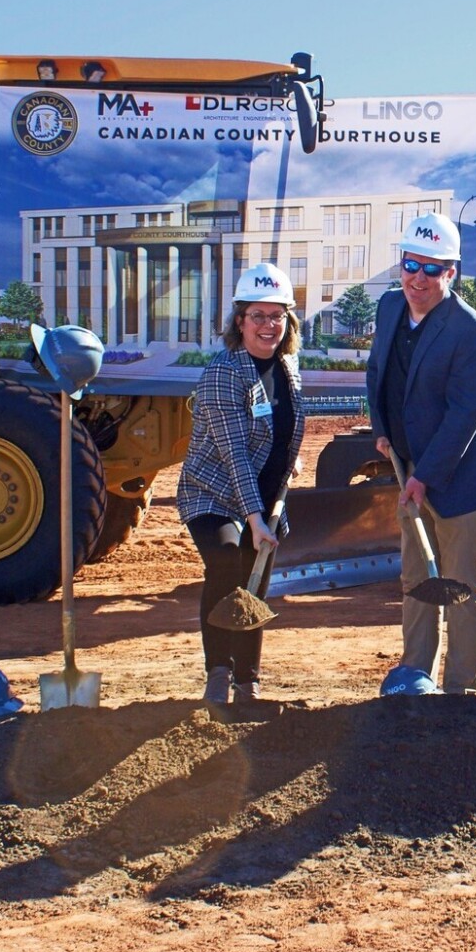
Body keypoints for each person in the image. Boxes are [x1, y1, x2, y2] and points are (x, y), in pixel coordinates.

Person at [366, 211, 476, 695]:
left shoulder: (471, 332)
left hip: (465, 475)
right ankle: (414, 676)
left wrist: (424, 476)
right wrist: (384, 430)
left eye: (433, 269)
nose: (419, 278)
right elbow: (378, 374)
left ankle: (458, 692)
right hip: (413, 467)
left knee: (462, 585)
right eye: (412, 264)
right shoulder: (390, 308)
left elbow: (463, 416)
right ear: (401, 263)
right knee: (418, 576)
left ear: (451, 273)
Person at [175, 263, 308, 703]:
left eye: (277, 316)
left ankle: (247, 679)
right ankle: (218, 672)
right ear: (239, 321)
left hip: (266, 498)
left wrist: (290, 461)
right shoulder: (222, 373)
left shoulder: (288, 368)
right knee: (229, 560)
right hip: (213, 492)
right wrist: (253, 518)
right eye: (258, 316)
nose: (268, 326)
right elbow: (233, 454)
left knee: (257, 581)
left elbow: (283, 428)